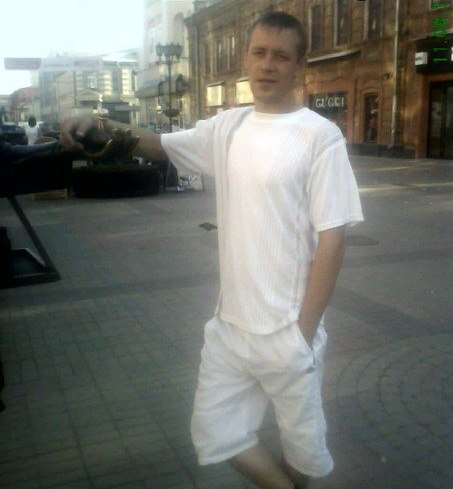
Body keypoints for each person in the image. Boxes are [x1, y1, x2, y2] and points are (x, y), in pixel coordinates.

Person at [60, 11, 363, 489]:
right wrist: (96, 123)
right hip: (230, 330)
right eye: (259, 52)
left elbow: (333, 239)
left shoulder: (319, 137)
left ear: (299, 64)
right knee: (215, 432)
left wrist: (302, 334)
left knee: (304, 452)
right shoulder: (229, 127)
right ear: (247, 58)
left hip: (287, 330)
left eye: (281, 56)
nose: (267, 64)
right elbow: (156, 143)